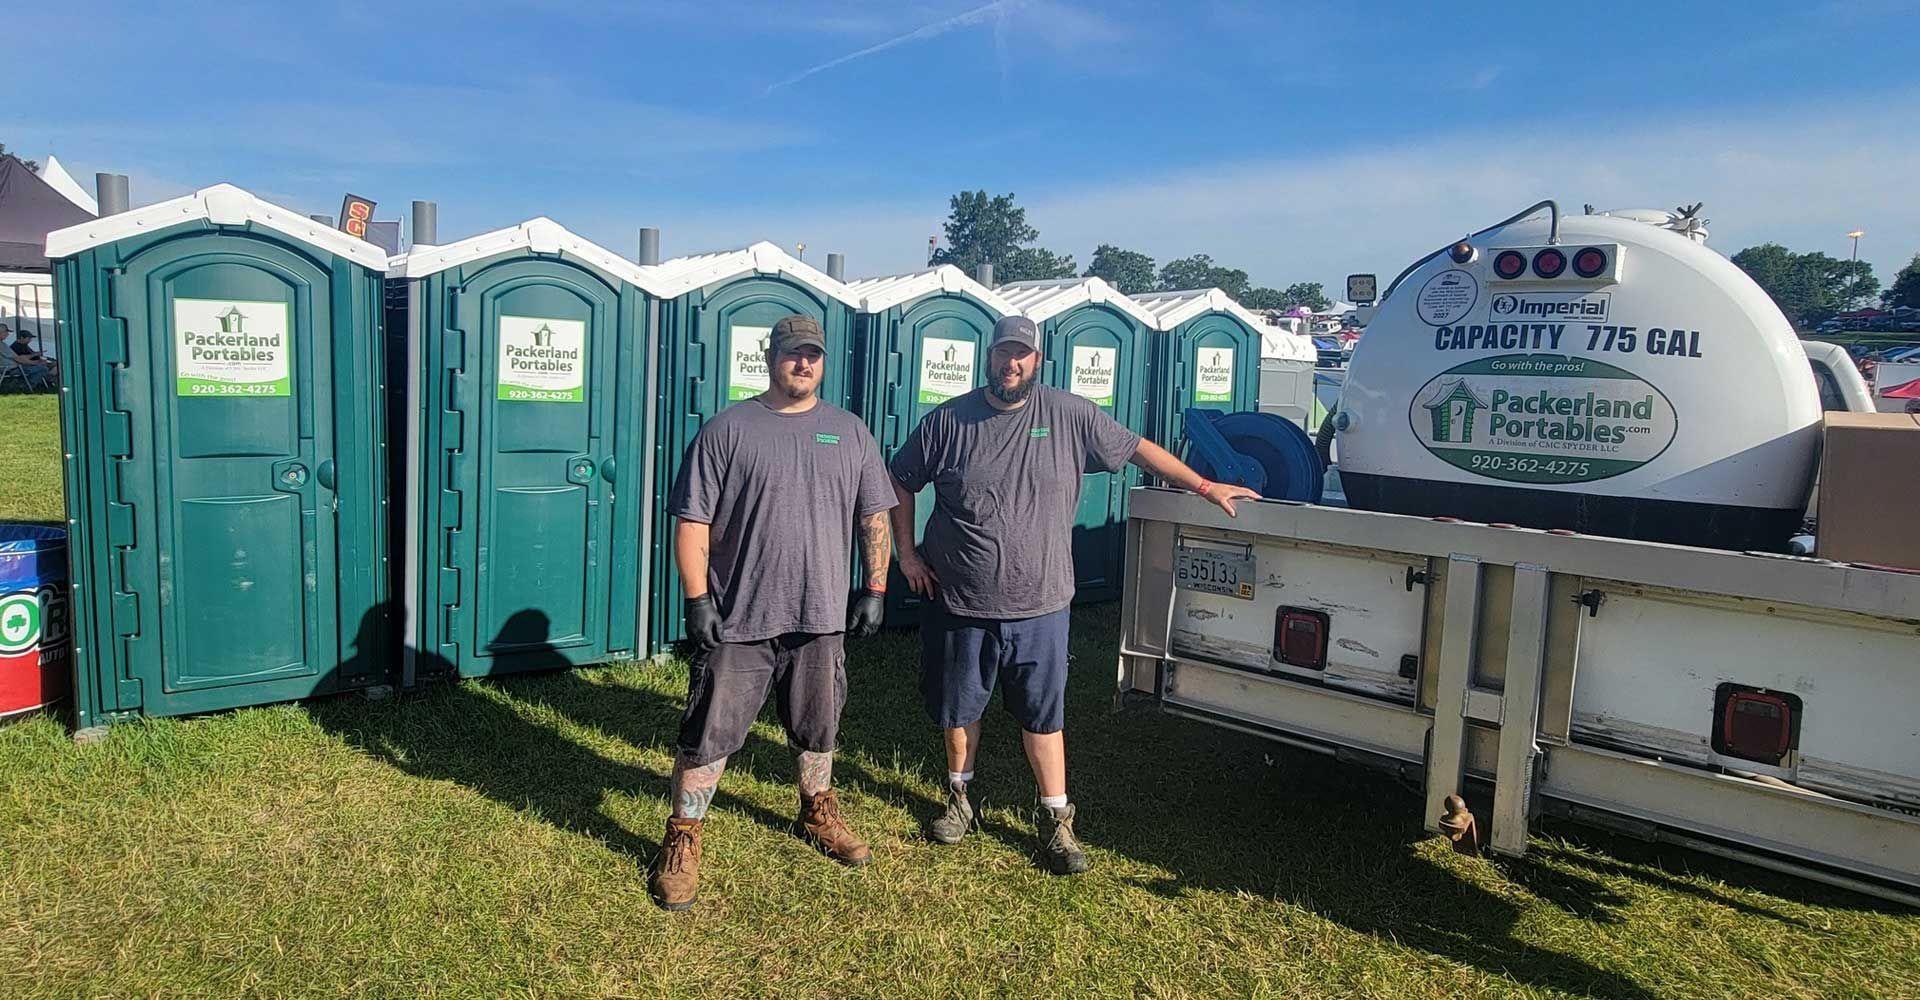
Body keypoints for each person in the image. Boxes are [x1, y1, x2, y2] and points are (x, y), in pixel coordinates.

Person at [888, 315, 1259, 875]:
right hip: (961, 599)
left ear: (1037, 361)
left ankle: (1056, 820)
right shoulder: (947, 421)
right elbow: (900, 478)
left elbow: (1137, 449)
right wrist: (908, 555)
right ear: (987, 357)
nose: (1010, 363)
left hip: (1041, 602)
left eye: (1022, 355)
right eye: (1003, 353)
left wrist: (1204, 486)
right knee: (961, 707)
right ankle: (960, 800)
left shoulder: (1068, 414)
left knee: (1043, 715)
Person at [652, 314, 897, 912]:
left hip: (819, 618)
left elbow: (874, 514)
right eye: (793, 355)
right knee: (710, 734)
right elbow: (693, 522)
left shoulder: (850, 431)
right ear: (771, 358)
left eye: (813, 355)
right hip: (740, 617)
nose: (804, 364)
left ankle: (816, 812)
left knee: (819, 727)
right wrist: (696, 598)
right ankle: (683, 838)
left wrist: (875, 586)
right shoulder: (729, 429)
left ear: (823, 361)